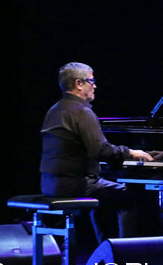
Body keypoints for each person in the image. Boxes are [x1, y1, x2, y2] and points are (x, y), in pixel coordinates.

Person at [39, 62, 154, 240]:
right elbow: (101, 151)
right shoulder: (81, 112)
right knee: (128, 197)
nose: (95, 85)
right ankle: (124, 255)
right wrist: (130, 152)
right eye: (91, 81)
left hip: (49, 184)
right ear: (79, 84)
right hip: (75, 185)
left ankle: (106, 253)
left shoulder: (55, 110)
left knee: (105, 196)